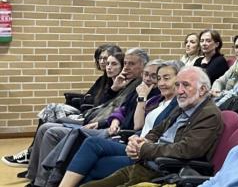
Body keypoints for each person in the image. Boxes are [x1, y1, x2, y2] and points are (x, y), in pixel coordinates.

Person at [25, 50, 156, 187]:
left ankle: (49, 179)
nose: (126, 67)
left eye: (131, 64)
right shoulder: (131, 84)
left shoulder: (149, 92)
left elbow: (135, 124)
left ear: (143, 66)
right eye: (125, 63)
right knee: (50, 125)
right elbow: (116, 108)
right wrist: (113, 91)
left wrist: (105, 121)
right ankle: (37, 176)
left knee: (61, 132)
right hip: (100, 121)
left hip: (119, 133)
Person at [81, 66, 224, 187]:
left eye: (186, 85)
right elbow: (157, 130)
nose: (179, 91)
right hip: (146, 165)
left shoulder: (209, 114)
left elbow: (185, 150)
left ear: (203, 89)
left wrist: (144, 149)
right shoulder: (183, 106)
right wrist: (140, 141)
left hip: (165, 173)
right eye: (177, 85)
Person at [57, 61, 182, 187]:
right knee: (91, 143)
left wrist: (140, 141)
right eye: (159, 78)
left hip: (146, 153)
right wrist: (142, 97)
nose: (161, 83)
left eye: (166, 79)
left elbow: (143, 129)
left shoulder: (178, 104)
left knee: (94, 162)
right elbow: (136, 123)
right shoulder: (156, 100)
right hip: (135, 144)